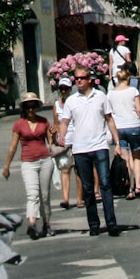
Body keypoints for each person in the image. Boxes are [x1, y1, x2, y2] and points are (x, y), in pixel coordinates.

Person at [58, 69, 121, 236]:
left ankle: (111, 223)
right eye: (76, 79)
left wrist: (118, 142)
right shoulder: (71, 101)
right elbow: (64, 122)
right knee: (87, 189)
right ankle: (93, 224)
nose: (78, 81)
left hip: (100, 145)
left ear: (89, 80)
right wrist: (62, 135)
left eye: (82, 78)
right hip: (80, 149)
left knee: (105, 184)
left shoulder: (100, 97)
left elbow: (109, 119)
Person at [1, 94, 57, 237]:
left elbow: (51, 144)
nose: (31, 109)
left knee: (45, 195)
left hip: (45, 160)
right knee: (32, 194)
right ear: (24, 108)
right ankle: (32, 224)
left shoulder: (44, 122)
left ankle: (47, 223)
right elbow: (13, 147)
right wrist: (7, 166)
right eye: (28, 106)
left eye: (33, 106)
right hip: (28, 162)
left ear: (36, 107)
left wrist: (54, 136)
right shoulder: (19, 124)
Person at [106, 67, 140, 200]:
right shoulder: (133, 90)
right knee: (136, 155)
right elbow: (139, 109)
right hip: (134, 125)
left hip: (119, 127)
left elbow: (109, 113)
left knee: (125, 157)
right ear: (128, 78)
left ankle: (128, 188)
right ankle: (138, 186)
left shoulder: (111, 94)